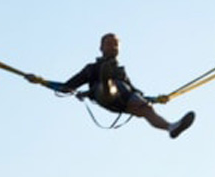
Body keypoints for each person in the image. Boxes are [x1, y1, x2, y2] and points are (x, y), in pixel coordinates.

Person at [31, 33, 195, 138]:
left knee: (146, 109)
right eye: (109, 43)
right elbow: (67, 86)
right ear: (101, 47)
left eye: (115, 44)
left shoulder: (121, 72)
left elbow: (133, 89)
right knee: (108, 86)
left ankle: (171, 127)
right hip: (104, 96)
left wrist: (155, 99)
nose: (112, 46)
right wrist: (42, 81)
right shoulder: (91, 69)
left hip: (126, 99)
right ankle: (106, 80)